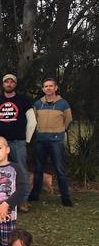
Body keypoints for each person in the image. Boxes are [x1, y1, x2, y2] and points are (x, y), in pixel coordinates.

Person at [0, 74, 36, 213]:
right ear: (3, 84)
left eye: (11, 82)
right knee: (2, 171)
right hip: (2, 144)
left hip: (19, 141)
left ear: (15, 84)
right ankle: (3, 199)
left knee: (21, 170)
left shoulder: (24, 100)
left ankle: (23, 200)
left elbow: (32, 121)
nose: (9, 84)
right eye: (6, 82)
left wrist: (26, 139)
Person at [30, 78, 74, 207]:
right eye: (45, 86)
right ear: (43, 89)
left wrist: (59, 132)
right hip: (40, 141)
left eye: (51, 86)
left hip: (56, 141)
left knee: (60, 170)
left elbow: (68, 121)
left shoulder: (63, 104)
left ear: (55, 88)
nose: (48, 88)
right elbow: (33, 120)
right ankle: (35, 195)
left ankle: (65, 197)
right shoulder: (38, 104)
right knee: (38, 169)